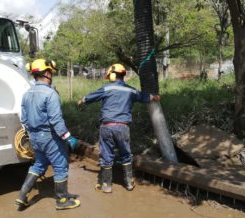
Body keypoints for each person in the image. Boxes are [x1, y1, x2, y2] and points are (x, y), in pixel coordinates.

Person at [77, 63, 160, 193]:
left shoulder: (106, 89)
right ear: (123, 76)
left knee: (106, 155)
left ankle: (106, 185)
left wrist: (81, 101)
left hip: (107, 127)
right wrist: (154, 97)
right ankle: (128, 183)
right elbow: (143, 96)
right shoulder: (130, 90)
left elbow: (90, 97)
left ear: (112, 75)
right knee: (126, 154)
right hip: (123, 128)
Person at [16, 59, 81, 210]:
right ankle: (62, 200)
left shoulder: (27, 94)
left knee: (39, 164)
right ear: (46, 73)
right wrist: (68, 137)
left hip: (34, 137)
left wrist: (33, 135)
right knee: (60, 166)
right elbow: (56, 120)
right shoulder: (50, 94)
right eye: (50, 72)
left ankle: (22, 196)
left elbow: (24, 119)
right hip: (50, 137)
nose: (51, 75)